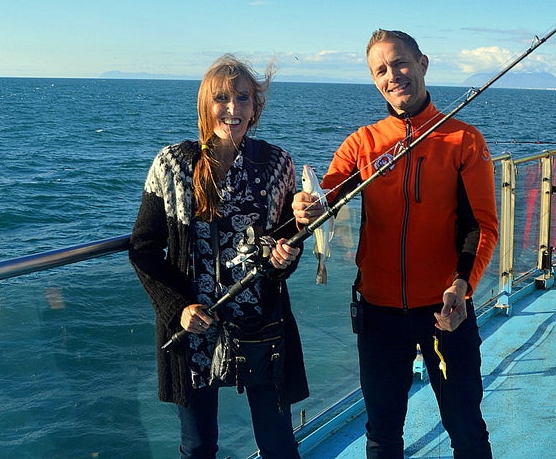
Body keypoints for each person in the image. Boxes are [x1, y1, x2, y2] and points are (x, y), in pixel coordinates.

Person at [294, 29, 498, 459]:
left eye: (400, 63)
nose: (393, 75)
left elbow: (480, 226)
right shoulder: (362, 143)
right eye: (381, 70)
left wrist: (462, 286)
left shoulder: (463, 139)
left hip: (446, 309)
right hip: (378, 313)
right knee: (383, 434)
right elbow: (329, 197)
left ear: (423, 63)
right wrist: (307, 206)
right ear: (374, 80)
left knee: (467, 430)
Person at [129, 54, 309, 459]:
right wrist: (178, 309)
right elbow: (143, 249)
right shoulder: (171, 164)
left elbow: (285, 242)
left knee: (278, 442)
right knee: (197, 447)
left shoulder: (277, 163)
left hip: (263, 328)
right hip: (194, 331)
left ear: (255, 108)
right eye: (222, 97)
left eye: (243, 98)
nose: (233, 108)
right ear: (204, 106)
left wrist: (285, 256)